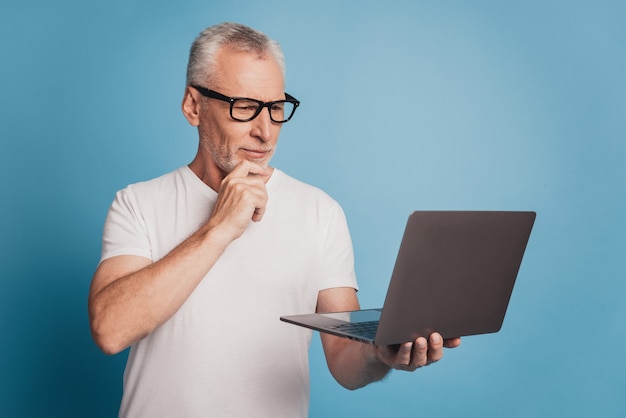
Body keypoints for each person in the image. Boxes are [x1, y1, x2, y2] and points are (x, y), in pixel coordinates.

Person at [88, 22, 461, 417]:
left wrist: (380, 352)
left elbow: (343, 357)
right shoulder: (138, 203)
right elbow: (110, 331)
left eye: (276, 108)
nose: (265, 132)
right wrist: (219, 229)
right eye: (245, 107)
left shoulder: (320, 212)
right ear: (194, 106)